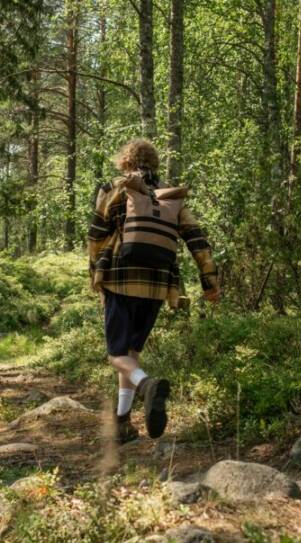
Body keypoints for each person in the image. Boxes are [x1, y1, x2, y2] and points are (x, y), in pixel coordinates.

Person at [87, 139, 220, 445]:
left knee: (117, 355)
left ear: (124, 162)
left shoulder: (114, 189)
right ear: (154, 163)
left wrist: (96, 275)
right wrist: (209, 280)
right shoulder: (170, 195)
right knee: (132, 352)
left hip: (120, 278)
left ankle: (147, 386)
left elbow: (96, 235)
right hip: (158, 284)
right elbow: (196, 239)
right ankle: (122, 424)